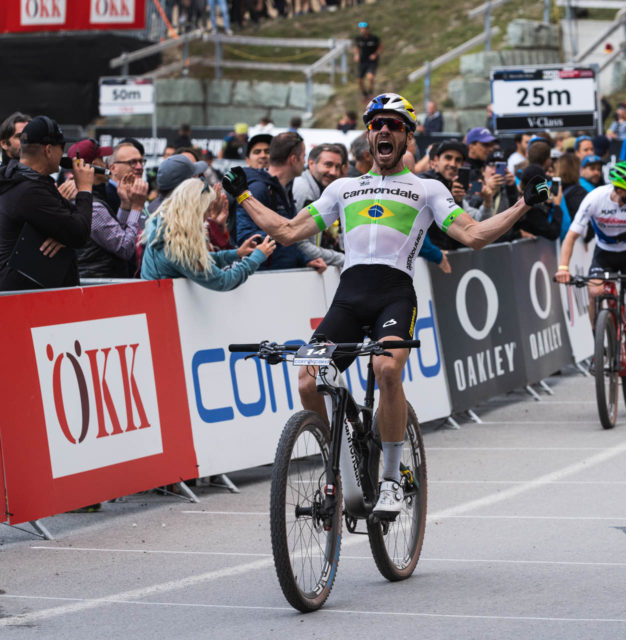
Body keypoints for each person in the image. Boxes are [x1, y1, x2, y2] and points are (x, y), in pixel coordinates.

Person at [220, 93, 549, 518]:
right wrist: (242, 196)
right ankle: (338, 469)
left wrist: (525, 203)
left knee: (386, 368)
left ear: (408, 136)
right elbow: (286, 231)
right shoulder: (343, 188)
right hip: (350, 295)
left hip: (394, 293)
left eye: (393, 125)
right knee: (307, 380)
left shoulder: (427, 189)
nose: (384, 131)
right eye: (376, 125)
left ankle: (392, 479)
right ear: (370, 135)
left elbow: (476, 235)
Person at [555, 161, 626, 378]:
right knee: (594, 292)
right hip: (604, 255)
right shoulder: (595, 199)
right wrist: (563, 267)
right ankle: (600, 348)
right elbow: (571, 237)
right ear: (622, 191)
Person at [0, 116, 94, 291]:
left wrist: (64, 236)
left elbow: (72, 226)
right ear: (48, 150)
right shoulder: (30, 190)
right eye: (62, 148)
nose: (63, 155)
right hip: (25, 301)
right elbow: (80, 233)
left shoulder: (22, 180)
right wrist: (85, 189)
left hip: (28, 296)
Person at [141, 179, 276, 290]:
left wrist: (237, 253)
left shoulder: (165, 228)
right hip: (164, 308)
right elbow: (223, 281)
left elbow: (201, 261)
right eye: (206, 210)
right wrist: (256, 258)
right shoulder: (175, 246)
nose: (206, 217)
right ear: (195, 210)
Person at [234, 131, 327, 273]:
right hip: (263, 278)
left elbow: (290, 237)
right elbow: (246, 237)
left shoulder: (284, 188)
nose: (304, 162)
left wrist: (305, 259)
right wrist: (282, 233)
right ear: (293, 159)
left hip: (282, 276)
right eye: (303, 157)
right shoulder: (258, 188)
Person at [66, 139, 147, 279]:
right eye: (102, 160)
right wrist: (137, 207)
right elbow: (125, 248)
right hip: (101, 284)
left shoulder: (92, 200)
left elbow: (116, 236)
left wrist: (125, 206)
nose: (106, 165)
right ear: (96, 165)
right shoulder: (93, 207)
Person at [150, 153, 209, 218]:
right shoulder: (165, 217)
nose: (199, 181)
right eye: (195, 177)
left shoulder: (176, 208)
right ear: (184, 185)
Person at [353, 21, 381, 98]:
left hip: (371, 62)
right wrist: (356, 55)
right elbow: (356, 47)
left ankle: (371, 92)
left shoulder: (374, 38)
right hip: (362, 61)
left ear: (367, 29)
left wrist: (375, 54)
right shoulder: (358, 38)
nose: (362, 30)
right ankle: (365, 94)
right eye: (361, 29)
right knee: (359, 80)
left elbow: (380, 47)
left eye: (364, 29)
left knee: (370, 77)